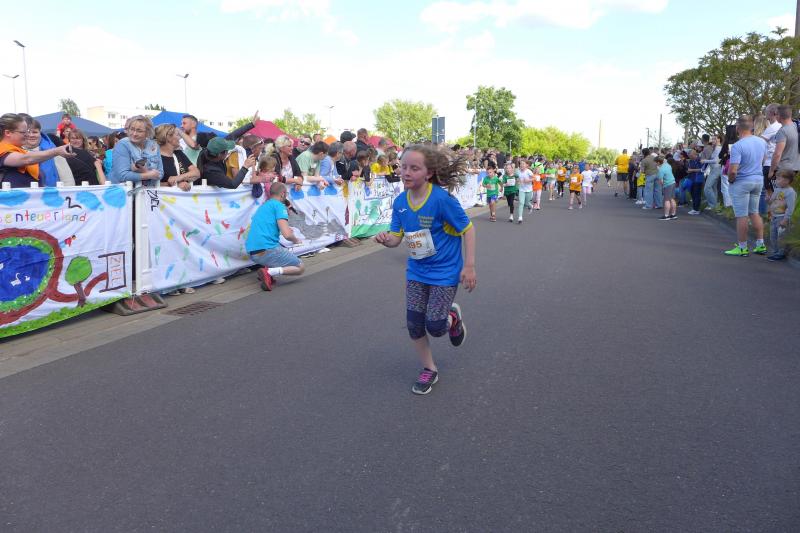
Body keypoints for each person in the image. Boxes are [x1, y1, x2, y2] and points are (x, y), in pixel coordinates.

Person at [374, 144, 476, 395]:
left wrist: (469, 266)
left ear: (428, 173)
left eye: (414, 168)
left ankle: (452, 317)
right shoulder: (400, 202)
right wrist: (386, 239)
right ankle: (429, 368)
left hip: (445, 272)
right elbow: (396, 239)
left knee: (436, 327)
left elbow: (468, 229)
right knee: (414, 325)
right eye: (403, 167)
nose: (406, 172)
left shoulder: (442, 200)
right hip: (417, 271)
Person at [246, 182, 305, 291]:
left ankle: (268, 272)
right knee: (300, 267)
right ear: (283, 194)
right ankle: (269, 272)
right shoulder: (279, 206)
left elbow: (268, 227)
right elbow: (287, 235)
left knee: (278, 249)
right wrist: (296, 240)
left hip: (252, 252)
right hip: (267, 250)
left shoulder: (264, 206)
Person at [725, 116, 768, 257]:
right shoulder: (762, 142)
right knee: (754, 212)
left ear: (738, 128)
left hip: (742, 182)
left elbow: (733, 170)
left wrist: (731, 180)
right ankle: (760, 244)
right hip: (758, 180)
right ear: (752, 127)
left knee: (741, 215)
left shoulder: (738, 146)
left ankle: (742, 247)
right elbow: (763, 160)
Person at [0, 113, 75, 187]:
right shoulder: (2, 149)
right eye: (23, 132)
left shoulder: (18, 150)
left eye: (28, 131)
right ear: (8, 133)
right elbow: (26, 159)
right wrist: (56, 151)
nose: (28, 135)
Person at [109, 116, 164, 185]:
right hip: (125, 190)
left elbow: (161, 173)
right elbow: (122, 175)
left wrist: (146, 172)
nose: (134, 134)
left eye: (139, 131)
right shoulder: (123, 144)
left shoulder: (154, 146)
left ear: (148, 132)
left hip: (148, 190)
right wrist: (148, 175)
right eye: (132, 129)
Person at [22, 119, 74, 186]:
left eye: (35, 132)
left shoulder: (55, 151)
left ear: (40, 133)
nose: (31, 135)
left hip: (51, 191)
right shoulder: (15, 151)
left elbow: (67, 179)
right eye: (28, 132)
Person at [155, 124, 200, 191]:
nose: (179, 138)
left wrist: (178, 178)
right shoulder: (154, 157)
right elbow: (149, 183)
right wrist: (175, 185)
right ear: (168, 138)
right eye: (177, 135)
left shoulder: (179, 154)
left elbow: (196, 173)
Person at [766, 169, 796, 261]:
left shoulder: (790, 192)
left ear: (787, 180)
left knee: (781, 236)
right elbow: (771, 201)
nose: (776, 181)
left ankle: (781, 253)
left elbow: (790, 208)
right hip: (774, 217)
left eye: (779, 179)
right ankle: (775, 251)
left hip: (782, 217)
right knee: (773, 235)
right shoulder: (777, 189)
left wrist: (785, 219)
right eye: (777, 178)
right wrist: (768, 200)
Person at [701, 135, 723, 210]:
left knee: (707, 188)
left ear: (719, 140)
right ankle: (714, 205)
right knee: (713, 188)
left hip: (716, 169)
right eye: (712, 139)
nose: (712, 140)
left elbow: (716, 161)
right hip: (714, 169)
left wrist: (705, 161)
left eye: (714, 139)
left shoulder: (718, 148)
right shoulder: (716, 148)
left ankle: (713, 204)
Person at [656, 156, 677, 220]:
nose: (655, 164)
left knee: (666, 200)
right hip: (673, 182)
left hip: (667, 184)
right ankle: (673, 214)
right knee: (672, 199)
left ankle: (666, 216)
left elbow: (661, 181)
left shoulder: (661, 170)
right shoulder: (667, 165)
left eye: (655, 162)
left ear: (658, 162)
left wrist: (663, 186)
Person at [686, 150, 704, 215]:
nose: (690, 157)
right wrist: (688, 171)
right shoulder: (690, 161)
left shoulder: (699, 160)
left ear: (694, 154)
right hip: (691, 179)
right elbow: (689, 168)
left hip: (698, 179)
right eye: (689, 156)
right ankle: (694, 208)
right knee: (693, 194)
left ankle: (696, 209)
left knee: (697, 194)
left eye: (690, 156)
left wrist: (692, 170)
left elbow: (702, 169)